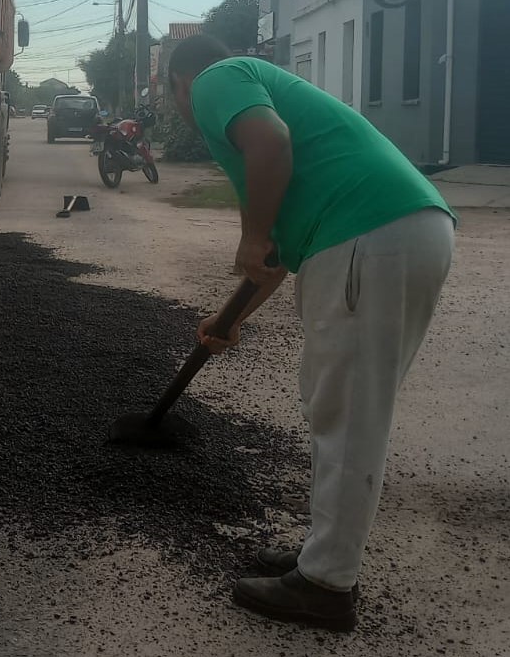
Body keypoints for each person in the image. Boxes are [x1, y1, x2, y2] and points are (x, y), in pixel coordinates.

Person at [166, 34, 455, 631]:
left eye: (167, 96)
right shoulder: (256, 108)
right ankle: (320, 556)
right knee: (339, 405)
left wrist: (250, 234)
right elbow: (270, 256)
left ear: (178, 84)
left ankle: (325, 584)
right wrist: (229, 321)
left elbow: (272, 145)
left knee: (348, 414)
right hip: (389, 231)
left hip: (371, 234)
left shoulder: (218, 77)